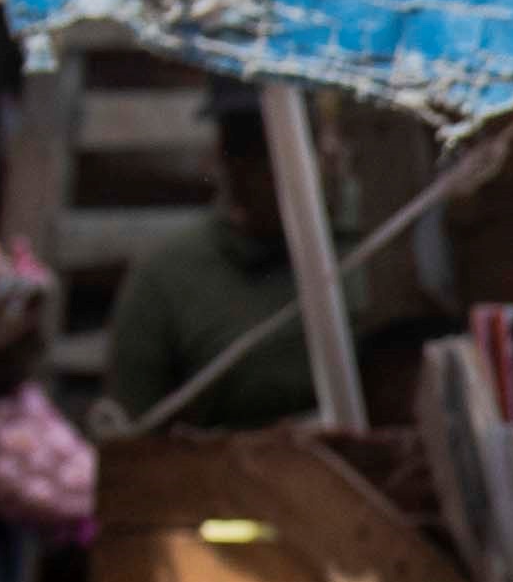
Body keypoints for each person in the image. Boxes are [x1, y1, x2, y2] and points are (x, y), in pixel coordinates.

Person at [106, 96, 341, 438]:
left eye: (302, 145)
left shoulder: (377, 245)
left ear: (329, 151)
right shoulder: (168, 278)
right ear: (225, 163)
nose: (272, 174)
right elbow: (131, 450)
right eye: (248, 151)